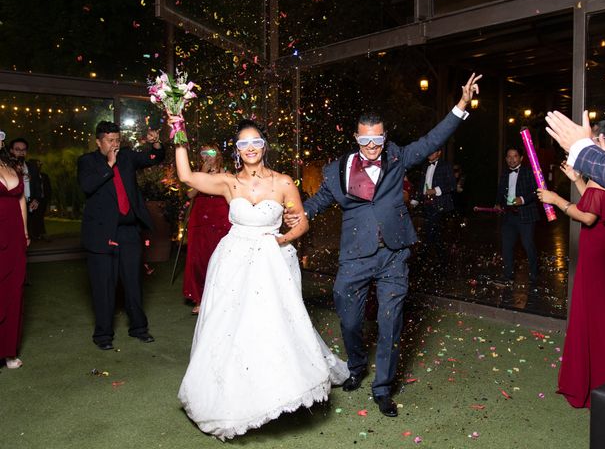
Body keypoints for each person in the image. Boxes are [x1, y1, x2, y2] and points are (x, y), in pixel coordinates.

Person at [285, 73, 482, 417]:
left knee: (390, 322)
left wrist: (462, 105)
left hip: (394, 253)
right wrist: (292, 216)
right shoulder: (337, 170)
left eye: (378, 140)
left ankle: (383, 388)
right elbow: (316, 204)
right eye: (365, 141)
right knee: (348, 319)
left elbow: (434, 137)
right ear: (355, 137)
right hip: (354, 257)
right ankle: (357, 365)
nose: (372, 147)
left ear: (385, 137)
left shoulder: (398, 157)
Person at [174, 118, 349, 440]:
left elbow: (301, 223)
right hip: (233, 261)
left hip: (270, 262)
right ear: (237, 150)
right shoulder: (228, 183)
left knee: (271, 323)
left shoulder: (283, 182)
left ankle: (276, 389)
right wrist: (178, 132)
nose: (250, 148)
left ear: (264, 146)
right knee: (229, 326)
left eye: (255, 142)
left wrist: (286, 237)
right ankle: (230, 394)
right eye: (243, 143)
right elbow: (185, 175)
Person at [546, 110, 605, 449]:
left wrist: (556, 199)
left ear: (600, 143)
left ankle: (592, 385)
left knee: (591, 316)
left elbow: (588, 214)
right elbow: (600, 198)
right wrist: (577, 180)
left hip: (598, 255)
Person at [77, 121, 164, 351]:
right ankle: (103, 335)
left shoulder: (126, 157)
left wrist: (156, 144)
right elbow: (87, 186)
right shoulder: (87, 161)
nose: (115, 144)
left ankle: (139, 329)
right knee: (103, 286)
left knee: (133, 282)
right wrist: (109, 164)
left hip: (128, 231)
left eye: (117, 140)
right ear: (98, 142)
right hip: (102, 233)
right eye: (110, 140)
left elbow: (154, 158)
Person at [182, 144, 231, 314]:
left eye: (211, 152)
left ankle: (220, 299)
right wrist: (202, 173)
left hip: (220, 217)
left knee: (221, 258)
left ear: (218, 154)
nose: (207, 155)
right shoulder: (196, 174)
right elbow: (190, 194)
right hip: (200, 218)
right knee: (199, 259)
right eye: (204, 153)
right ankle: (200, 299)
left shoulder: (226, 173)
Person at [0, 131, 29, 369]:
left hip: (15, 238)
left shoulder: (11, 166)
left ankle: (9, 351)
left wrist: (25, 233)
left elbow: (21, 201)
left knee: (13, 292)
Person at [494, 146, 540, 286]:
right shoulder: (504, 174)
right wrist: (497, 204)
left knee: (528, 245)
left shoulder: (528, 172)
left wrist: (523, 199)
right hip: (509, 216)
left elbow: (537, 191)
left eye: (515, 156)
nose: (512, 159)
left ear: (521, 158)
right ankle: (508, 275)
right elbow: (500, 191)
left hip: (526, 215)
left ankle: (534, 276)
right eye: (509, 156)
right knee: (507, 246)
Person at [415, 148, 456, 275]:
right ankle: (443, 262)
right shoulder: (425, 166)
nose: (429, 153)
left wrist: (435, 190)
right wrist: (415, 200)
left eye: (432, 151)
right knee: (436, 234)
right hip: (427, 204)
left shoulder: (445, 166)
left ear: (439, 153)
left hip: (440, 205)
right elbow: (422, 185)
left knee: (430, 232)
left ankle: (422, 260)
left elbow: (452, 185)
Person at [8, 138, 42, 239]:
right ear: (11, 151)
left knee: (26, 236)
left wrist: (36, 199)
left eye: (23, 150)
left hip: (29, 206)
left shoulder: (32, 167)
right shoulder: (6, 168)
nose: (21, 152)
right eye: (17, 149)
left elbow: (38, 185)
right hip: (12, 205)